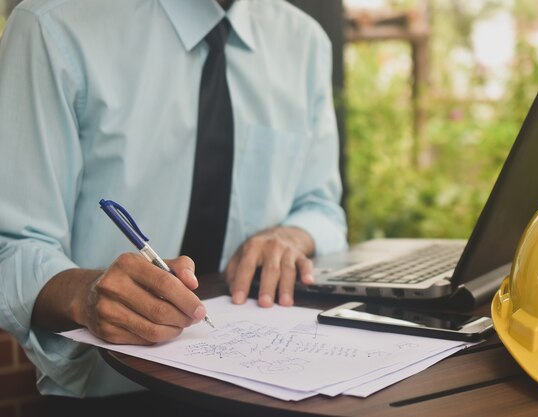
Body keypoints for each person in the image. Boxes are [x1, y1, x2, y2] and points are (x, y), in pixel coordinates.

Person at [0, 0, 347, 405]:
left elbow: (322, 208)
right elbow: (12, 246)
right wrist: (84, 295)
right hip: (110, 398)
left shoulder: (304, 41)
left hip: (269, 393)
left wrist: (291, 236)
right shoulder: (51, 26)